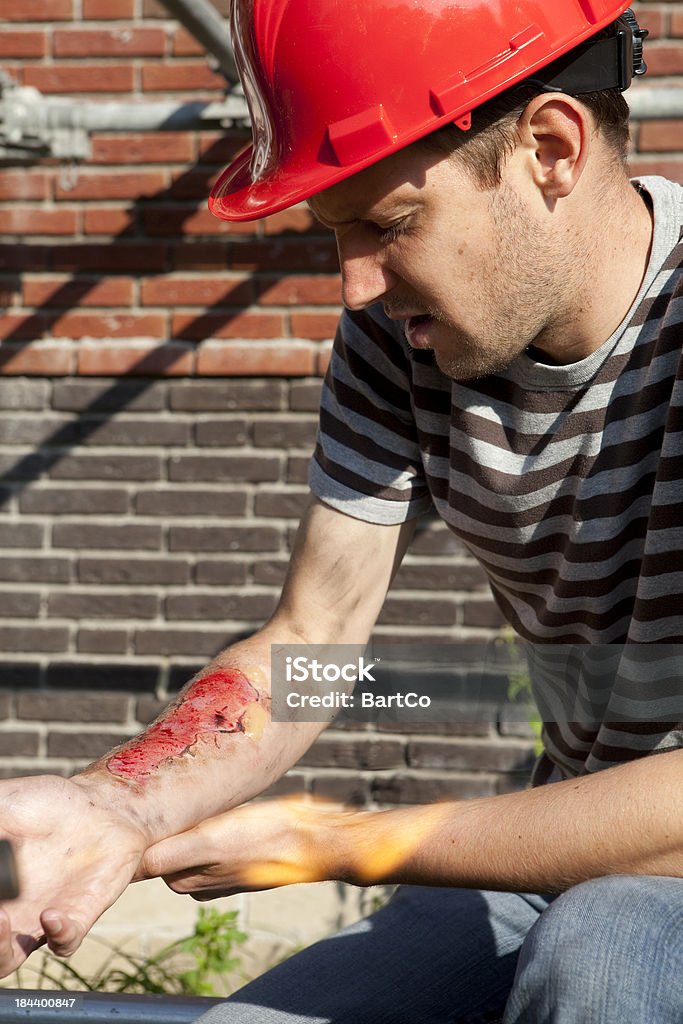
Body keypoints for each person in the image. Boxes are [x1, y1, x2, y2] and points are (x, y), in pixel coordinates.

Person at [1, 1, 682, 1020]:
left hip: (632, 886)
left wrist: (335, 839)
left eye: (389, 223)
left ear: (548, 148)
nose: (356, 284)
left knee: (596, 965)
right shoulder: (405, 337)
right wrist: (112, 802)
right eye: (335, 234)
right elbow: (312, 642)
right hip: (552, 860)